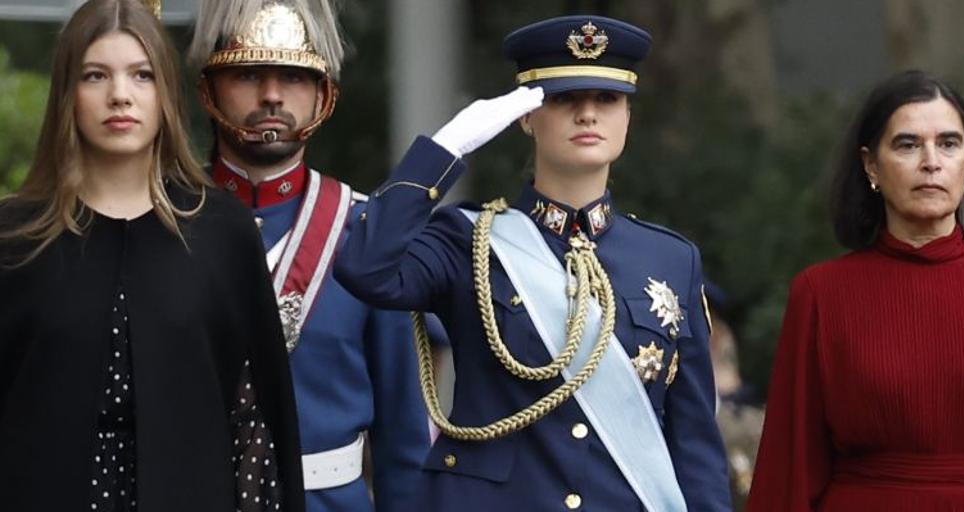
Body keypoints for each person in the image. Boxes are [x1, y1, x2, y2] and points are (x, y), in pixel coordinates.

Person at [335, 15, 731, 512]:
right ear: (526, 116)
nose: (588, 114)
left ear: (627, 116)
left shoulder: (672, 258)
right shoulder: (467, 239)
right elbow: (364, 268)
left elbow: (694, 444)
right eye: (565, 99)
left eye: (606, 100)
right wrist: (443, 151)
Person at [0, 0, 305, 511]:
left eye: (141, 75)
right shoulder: (15, 237)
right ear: (67, 95)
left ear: (165, 92)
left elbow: (256, 422)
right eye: (96, 75)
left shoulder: (222, 233)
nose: (120, 95)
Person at [187, 2, 431, 511]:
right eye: (249, 73)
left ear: (324, 94)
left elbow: (403, 437)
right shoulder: (164, 223)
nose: (272, 95)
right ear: (208, 89)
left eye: (294, 77)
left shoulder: (367, 233)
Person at [746, 70, 964, 511]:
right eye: (908, 144)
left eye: (949, 144)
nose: (931, 161)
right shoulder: (822, 294)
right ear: (871, 165)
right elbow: (790, 468)